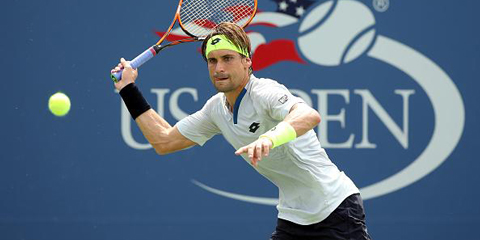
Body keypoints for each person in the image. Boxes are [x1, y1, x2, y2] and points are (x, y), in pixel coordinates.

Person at [111, 22, 371, 240]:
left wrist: (270, 137)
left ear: (247, 61)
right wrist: (128, 90)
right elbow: (164, 141)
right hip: (294, 217)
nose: (219, 68)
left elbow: (308, 115)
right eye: (212, 61)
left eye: (227, 58)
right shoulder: (216, 109)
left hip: (337, 209)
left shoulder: (265, 92)